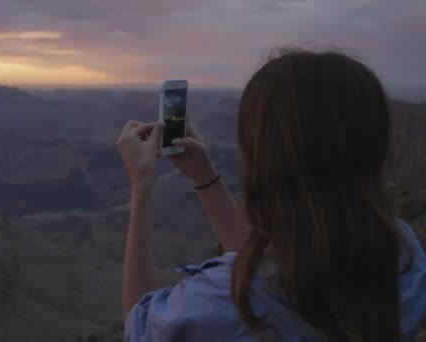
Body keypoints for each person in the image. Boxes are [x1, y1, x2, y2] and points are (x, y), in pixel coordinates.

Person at [115, 48, 426, 341]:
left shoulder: (219, 302)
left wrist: (141, 188)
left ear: (263, 155)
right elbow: (259, 267)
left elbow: (137, 329)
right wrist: (204, 176)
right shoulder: (402, 252)